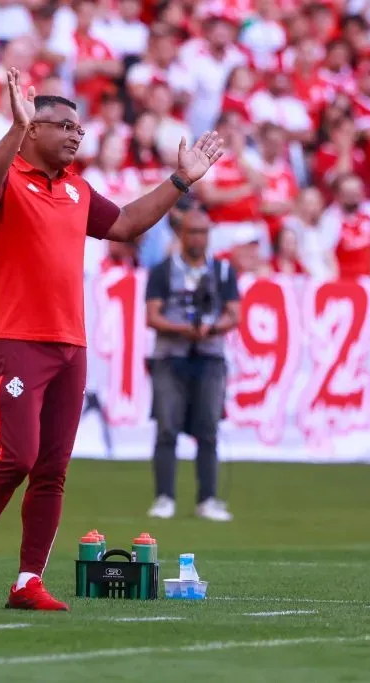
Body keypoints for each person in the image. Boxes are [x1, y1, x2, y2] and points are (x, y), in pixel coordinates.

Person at [0, 68, 225, 611]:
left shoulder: (76, 189)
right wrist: (12, 129)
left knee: (52, 469)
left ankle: (28, 581)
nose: (75, 135)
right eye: (63, 126)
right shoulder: (7, 178)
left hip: (70, 344)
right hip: (14, 338)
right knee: (17, 457)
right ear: (31, 130)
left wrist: (180, 181)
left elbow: (124, 226)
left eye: (80, 129)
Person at [144, 196, 240, 522]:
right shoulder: (162, 270)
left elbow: (233, 315)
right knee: (166, 428)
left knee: (209, 429)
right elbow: (152, 316)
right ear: (182, 234)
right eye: (192, 232)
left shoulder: (224, 271)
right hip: (170, 356)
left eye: (202, 232)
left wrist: (211, 329)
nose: (197, 238)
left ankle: (208, 498)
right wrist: (183, 329)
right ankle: (164, 497)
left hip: (210, 357)